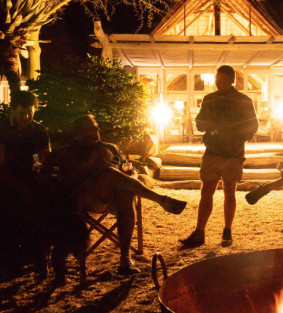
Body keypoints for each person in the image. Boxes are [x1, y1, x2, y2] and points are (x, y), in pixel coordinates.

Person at [47, 115, 187, 275]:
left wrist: (130, 174)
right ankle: (161, 200)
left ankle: (125, 259)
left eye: (94, 128)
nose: (93, 132)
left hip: (115, 199)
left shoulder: (110, 148)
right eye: (86, 130)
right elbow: (66, 179)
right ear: (78, 134)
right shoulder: (69, 152)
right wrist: (92, 165)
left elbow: (130, 170)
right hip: (86, 199)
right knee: (107, 173)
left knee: (125, 196)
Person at [180, 65, 259, 247]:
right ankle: (200, 231)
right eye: (217, 79)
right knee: (206, 192)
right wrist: (204, 125)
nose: (218, 82)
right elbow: (199, 121)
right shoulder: (209, 99)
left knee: (229, 192)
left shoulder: (244, 100)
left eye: (222, 79)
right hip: (213, 151)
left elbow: (252, 126)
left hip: (233, 153)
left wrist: (237, 138)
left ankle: (227, 229)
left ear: (231, 80)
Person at [0, 90, 50, 275]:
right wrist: (21, 186)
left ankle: (33, 256)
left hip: (31, 179)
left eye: (31, 112)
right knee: (11, 206)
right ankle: (12, 261)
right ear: (13, 110)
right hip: (4, 180)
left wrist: (41, 173)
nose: (27, 116)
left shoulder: (38, 130)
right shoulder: (0, 130)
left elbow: (46, 159)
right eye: (23, 112)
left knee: (43, 204)